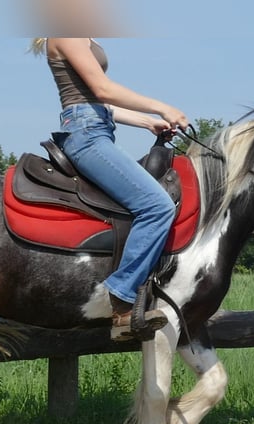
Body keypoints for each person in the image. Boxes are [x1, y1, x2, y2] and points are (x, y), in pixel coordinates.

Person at [32, 37, 190, 336]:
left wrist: (146, 122)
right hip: (86, 134)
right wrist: (162, 108)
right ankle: (121, 299)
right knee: (157, 206)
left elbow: (99, 102)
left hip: (97, 126)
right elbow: (102, 89)